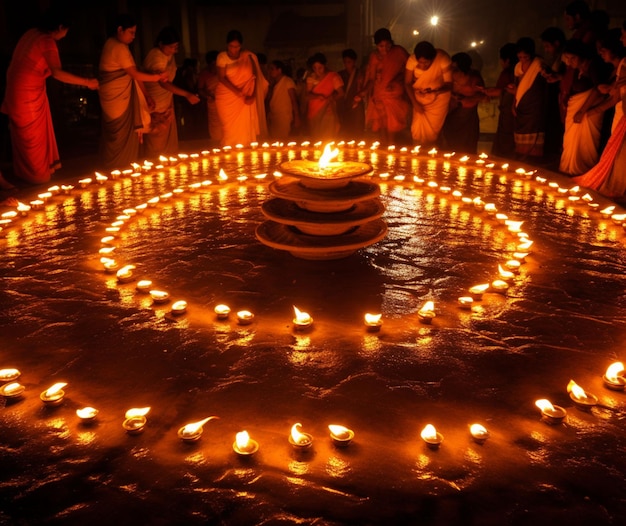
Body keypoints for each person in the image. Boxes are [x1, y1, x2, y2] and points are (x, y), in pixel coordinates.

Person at [1, 8, 98, 184]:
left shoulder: (32, 33)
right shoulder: (46, 41)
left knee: (27, 137)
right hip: (26, 96)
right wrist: (88, 82)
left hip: (18, 92)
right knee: (32, 139)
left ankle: (28, 174)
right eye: (66, 30)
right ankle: (36, 177)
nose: (66, 35)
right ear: (60, 27)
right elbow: (57, 73)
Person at [98, 14, 168, 169]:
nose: (134, 36)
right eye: (131, 32)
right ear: (120, 30)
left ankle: (119, 168)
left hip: (118, 96)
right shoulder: (117, 47)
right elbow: (135, 74)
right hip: (116, 99)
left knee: (120, 136)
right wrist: (157, 77)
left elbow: (133, 74)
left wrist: (147, 95)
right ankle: (117, 169)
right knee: (119, 136)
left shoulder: (117, 45)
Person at [573, 21, 626, 197]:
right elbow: (615, 97)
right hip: (621, 115)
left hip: (623, 116)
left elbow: (616, 97)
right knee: (617, 155)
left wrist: (590, 111)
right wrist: (590, 111)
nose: (600, 54)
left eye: (603, 50)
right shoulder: (620, 67)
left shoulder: (624, 64)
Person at [142, 27, 200, 159]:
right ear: (161, 44)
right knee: (156, 145)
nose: (175, 50)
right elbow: (162, 82)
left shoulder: (168, 55)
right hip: (155, 105)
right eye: (171, 47)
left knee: (168, 146)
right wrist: (186, 94)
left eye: (176, 47)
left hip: (166, 103)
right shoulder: (156, 56)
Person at [558, 39, 606, 175]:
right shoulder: (577, 69)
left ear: (582, 56)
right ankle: (569, 168)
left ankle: (583, 169)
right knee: (570, 140)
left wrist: (582, 110)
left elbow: (597, 90)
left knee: (585, 140)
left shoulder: (592, 67)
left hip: (586, 110)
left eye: (573, 58)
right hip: (576, 107)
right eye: (568, 58)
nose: (570, 61)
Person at [215, 29, 268, 146]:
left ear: (241, 45)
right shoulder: (222, 57)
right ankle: (229, 156)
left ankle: (245, 156)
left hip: (246, 96)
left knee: (245, 128)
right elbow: (221, 78)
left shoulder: (248, 57)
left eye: (237, 46)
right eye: (231, 46)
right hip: (227, 97)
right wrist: (237, 92)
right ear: (227, 45)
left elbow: (254, 78)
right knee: (229, 130)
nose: (234, 49)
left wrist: (252, 96)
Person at [360, 28, 410, 146]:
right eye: (381, 46)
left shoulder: (399, 52)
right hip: (379, 93)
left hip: (394, 93)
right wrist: (362, 93)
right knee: (381, 122)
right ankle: (384, 148)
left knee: (392, 124)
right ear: (376, 45)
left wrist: (398, 80)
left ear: (392, 42)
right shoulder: (374, 56)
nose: (385, 49)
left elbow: (410, 69)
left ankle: (391, 147)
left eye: (388, 45)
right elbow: (372, 79)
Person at [404, 40, 452, 148]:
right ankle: (418, 153)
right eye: (420, 62)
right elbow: (407, 83)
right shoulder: (412, 60)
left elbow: (449, 84)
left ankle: (432, 152)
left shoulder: (443, 59)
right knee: (416, 131)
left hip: (438, 100)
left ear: (433, 58)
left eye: (426, 62)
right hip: (419, 99)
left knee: (433, 133)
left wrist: (435, 91)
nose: (423, 65)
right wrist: (415, 103)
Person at [440, 52, 485, 154]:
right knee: (449, 145)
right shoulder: (449, 76)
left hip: (468, 118)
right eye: (452, 67)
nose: (452, 70)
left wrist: (466, 99)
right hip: (452, 116)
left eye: (456, 68)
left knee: (467, 147)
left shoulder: (474, 78)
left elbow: (483, 96)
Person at [512, 37, 548, 159]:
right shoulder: (517, 67)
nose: (523, 60)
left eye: (525, 57)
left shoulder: (538, 65)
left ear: (531, 54)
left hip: (534, 105)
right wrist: (513, 104)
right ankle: (522, 156)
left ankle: (533, 158)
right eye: (520, 57)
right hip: (521, 105)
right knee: (521, 132)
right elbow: (518, 86)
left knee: (534, 129)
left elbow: (542, 86)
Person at [481, 43, 518, 157]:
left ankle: (504, 160)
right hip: (517, 112)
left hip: (508, 112)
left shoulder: (507, 73)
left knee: (505, 138)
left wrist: (485, 92)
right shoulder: (518, 71)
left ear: (506, 60)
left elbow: (499, 91)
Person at [540, 27, 568, 163]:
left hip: (561, 99)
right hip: (552, 98)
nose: (546, 50)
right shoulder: (556, 58)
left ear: (556, 43)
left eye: (547, 46)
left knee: (558, 128)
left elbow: (568, 77)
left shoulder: (566, 57)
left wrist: (556, 77)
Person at [305, 52, 344, 141]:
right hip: (313, 112)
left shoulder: (333, 77)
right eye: (314, 68)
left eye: (320, 68)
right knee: (316, 138)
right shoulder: (311, 78)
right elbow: (307, 95)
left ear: (325, 65)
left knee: (327, 138)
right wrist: (318, 96)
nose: (317, 71)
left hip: (328, 111)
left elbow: (341, 93)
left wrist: (331, 98)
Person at [266, 60, 300, 141]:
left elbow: (294, 100)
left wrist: (297, 117)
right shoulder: (274, 83)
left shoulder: (288, 81)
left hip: (284, 117)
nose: (270, 71)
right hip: (274, 116)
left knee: (282, 141)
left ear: (279, 70)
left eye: (272, 69)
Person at [337, 48, 365, 139]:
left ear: (354, 61)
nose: (346, 64)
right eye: (345, 62)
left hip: (356, 106)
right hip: (344, 106)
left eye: (349, 62)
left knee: (357, 131)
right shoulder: (340, 74)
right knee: (345, 131)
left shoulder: (360, 74)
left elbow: (364, 88)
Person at [197, 50, 223, 143]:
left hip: (225, 101)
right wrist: (209, 96)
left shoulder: (223, 72)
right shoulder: (204, 74)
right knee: (215, 124)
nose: (215, 66)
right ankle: (216, 143)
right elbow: (200, 89)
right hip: (212, 102)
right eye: (213, 64)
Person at [173, 58, 201, 140]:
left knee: (182, 119)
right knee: (186, 119)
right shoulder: (188, 73)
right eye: (197, 65)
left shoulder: (181, 72)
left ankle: (185, 136)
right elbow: (190, 86)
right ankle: (188, 137)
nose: (198, 68)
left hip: (181, 99)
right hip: (184, 101)